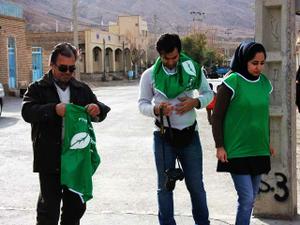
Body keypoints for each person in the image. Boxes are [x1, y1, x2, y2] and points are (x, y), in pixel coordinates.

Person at [21, 42, 110, 225]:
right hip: (49, 159)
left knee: (75, 209)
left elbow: (101, 110)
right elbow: (27, 111)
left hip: (76, 160)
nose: (68, 72)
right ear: (52, 65)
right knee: (48, 212)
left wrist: (97, 109)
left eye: (72, 68)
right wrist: (54, 109)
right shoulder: (38, 88)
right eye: (63, 68)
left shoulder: (81, 89)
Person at [138, 33, 212, 225]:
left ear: (179, 53)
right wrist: (156, 109)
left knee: (196, 186)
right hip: (163, 138)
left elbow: (208, 93)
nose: (171, 62)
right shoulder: (149, 75)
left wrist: (196, 102)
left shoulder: (193, 69)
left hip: (190, 136)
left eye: (174, 58)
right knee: (164, 187)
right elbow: (142, 104)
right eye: (166, 58)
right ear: (160, 55)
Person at [212, 41, 275, 225]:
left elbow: (264, 116)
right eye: (254, 63)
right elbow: (217, 117)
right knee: (246, 199)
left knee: (251, 199)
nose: (259, 67)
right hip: (237, 151)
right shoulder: (232, 82)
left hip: (259, 149)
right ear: (243, 60)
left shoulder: (264, 83)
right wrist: (219, 145)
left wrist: (268, 142)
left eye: (262, 63)